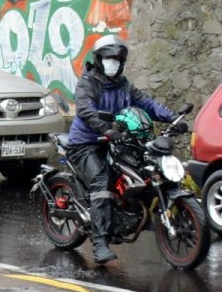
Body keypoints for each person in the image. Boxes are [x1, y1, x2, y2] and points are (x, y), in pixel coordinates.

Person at [67, 34, 186, 264]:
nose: (114, 63)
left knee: (144, 171)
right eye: (109, 58)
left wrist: (173, 118)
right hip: (86, 143)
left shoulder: (124, 85)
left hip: (118, 140)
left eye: (118, 59)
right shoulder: (88, 83)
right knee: (101, 182)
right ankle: (100, 243)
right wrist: (105, 129)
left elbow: (147, 103)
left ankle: (131, 212)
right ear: (99, 59)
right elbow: (85, 110)